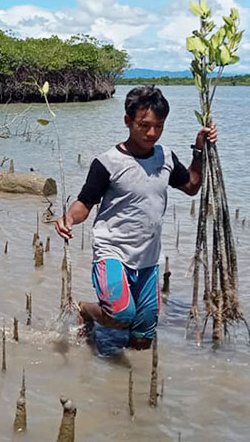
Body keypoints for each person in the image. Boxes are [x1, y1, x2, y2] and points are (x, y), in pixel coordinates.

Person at [55, 86, 216, 350]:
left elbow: (191, 186)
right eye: (144, 125)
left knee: (142, 341)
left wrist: (199, 151)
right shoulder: (107, 162)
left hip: (148, 261)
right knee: (120, 315)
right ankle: (86, 310)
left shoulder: (165, 157)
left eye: (159, 126)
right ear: (128, 121)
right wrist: (68, 219)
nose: (152, 133)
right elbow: (85, 203)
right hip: (112, 253)